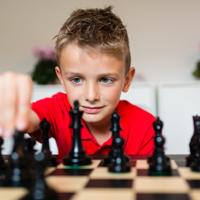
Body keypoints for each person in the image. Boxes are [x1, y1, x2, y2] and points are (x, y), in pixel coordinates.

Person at [0, 6, 155, 162]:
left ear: (127, 80)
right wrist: (10, 107)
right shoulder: (57, 109)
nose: (91, 96)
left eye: (105, 80)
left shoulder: (147, 127)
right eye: (76, 79)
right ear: (61, 78)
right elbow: (26, 119)